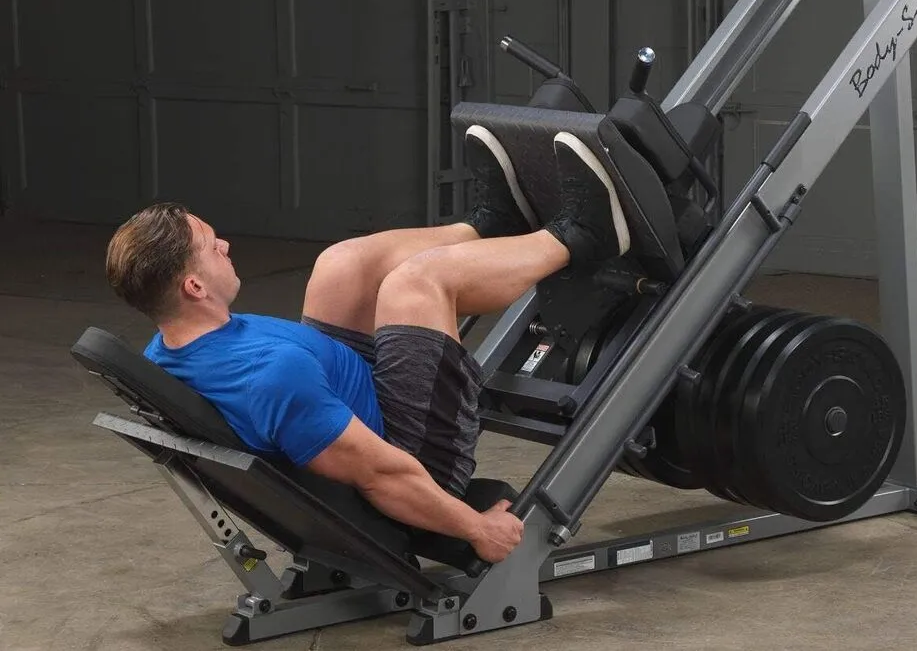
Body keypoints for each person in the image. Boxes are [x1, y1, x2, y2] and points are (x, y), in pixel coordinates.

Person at [104, 126, 630, 565]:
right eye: (210, 247)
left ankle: (488, 228)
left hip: (358, 395)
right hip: (415, 451)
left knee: (342, 264)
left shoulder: (171, 347)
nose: (225, 245)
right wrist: (475, 527)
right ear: (193, 288)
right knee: (418, 281)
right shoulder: (272, 382)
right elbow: (381, 475)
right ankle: (580, 236)